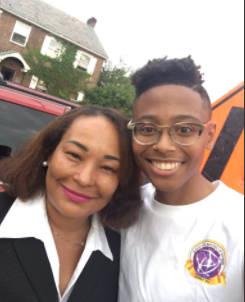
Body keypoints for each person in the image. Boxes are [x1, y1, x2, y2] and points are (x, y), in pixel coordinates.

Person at [119, 57, 244, 302]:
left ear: (209, 136)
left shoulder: (238, 223)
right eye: (147, 128)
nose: (163, 146)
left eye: (184, 130)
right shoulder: (123, 208)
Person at [0, 105, 142, 302]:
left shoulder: (121, 254)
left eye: (108, 168)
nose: (84, 179)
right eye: (74, 155)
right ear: (49, 153)